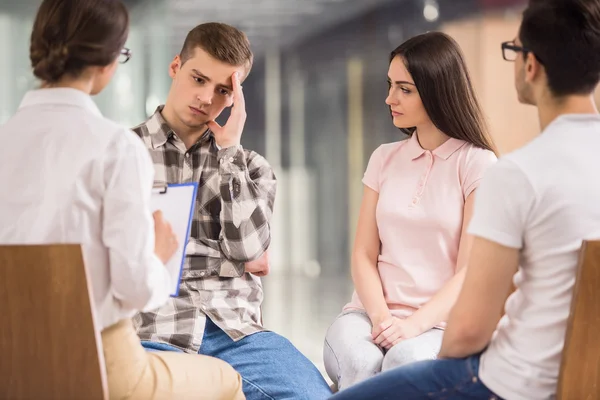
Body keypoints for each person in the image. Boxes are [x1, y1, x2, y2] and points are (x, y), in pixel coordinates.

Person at [328, 0, 600, 399]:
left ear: (530, 66)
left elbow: (471, 325)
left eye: (513, 50)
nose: (390, 98)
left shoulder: (514, 172)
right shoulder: (390, 159)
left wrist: (436, 351)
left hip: (501, 382)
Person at [0, 1, 245, 399]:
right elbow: (135, 290)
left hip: (9, 360)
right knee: (225, 379)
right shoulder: (116, 147)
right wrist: (159, 255)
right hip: (97, 362)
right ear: (109, 62)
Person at [131, 22, 332, 400]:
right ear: (176, 67)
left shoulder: (251, 167)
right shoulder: (124, 153)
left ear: (236, 97)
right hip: (153, 330)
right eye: (199, 78)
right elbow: (123, 258)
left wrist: (229, 154)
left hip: (238, 334)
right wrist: (226, 262)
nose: (206, 97)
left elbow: (248, 251)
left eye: (223, 90)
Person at [323, 31, 497, 391]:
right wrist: (382, 319)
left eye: (405, 88)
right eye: (390, 85)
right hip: (367, 316)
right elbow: (363, 254)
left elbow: (469, 271)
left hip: (438, 326)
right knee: (362, 360)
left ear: (436, 90)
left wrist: (413, 326)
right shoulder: (384, 158)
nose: (389, 98)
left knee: (403, 360)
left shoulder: (477, 163)